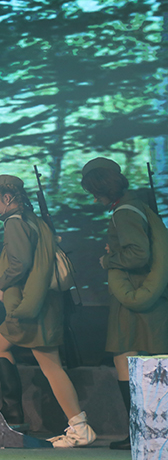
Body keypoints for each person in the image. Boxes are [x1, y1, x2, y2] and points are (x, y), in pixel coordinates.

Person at [0, 174, 95, 447]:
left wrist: (2, 283)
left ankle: (78, 426)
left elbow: (20, 263)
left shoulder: (15, 223)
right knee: (1, 345)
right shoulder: (33, 220)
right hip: (41, 303)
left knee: (49, 365)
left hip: (31, 306)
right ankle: (15, 415)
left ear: (7, 198)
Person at [80, 157, 168, 450]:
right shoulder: (137, 206)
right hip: (148, 295)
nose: (95, 198)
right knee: (146, 360)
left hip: (134, 295)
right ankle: (148, 433)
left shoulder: (124, 212)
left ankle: (140, 433)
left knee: (125, 359)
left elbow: (138, 254)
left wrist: (109, 259)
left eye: (95, 192)